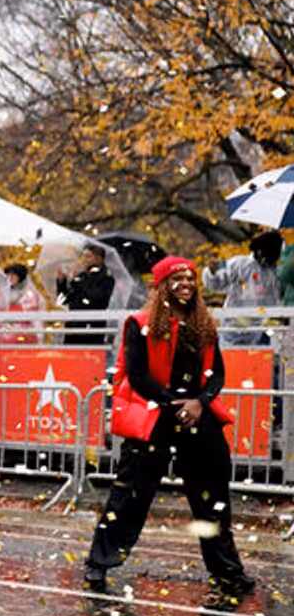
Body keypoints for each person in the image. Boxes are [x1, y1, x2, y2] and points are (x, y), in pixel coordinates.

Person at [82, 256, 253, 598]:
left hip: (197, 415)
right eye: (178, 279)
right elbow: (137, 373)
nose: (186, 285)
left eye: (191, 279)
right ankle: (98, 562)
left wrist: (199, 402)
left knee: (213, 499)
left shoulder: (204, 324)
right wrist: (171, 403)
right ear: (162, 286)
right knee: (129, 495)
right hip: (156, 415)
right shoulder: (139, 323)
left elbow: (216, 373)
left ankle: (227, 571)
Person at [201, 232, 284, 345]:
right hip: (235, 327)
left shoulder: (275, 271)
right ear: (258, 251)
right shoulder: (238, 264)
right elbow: (216, 284)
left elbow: (279, 296)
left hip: (265, 329)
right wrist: (212, 272)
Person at [56, 243, 115, 345]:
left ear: (99, 258)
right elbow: (67, 298)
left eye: (88, 256)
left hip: (91, 326)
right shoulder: (82, 275)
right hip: (74, 324)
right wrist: (62, 282)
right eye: (83, 256)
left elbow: (96, 299)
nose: (84, 260)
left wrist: (75, 282)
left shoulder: (106, 278)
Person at [0, 262, 44, 344]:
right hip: (4, 332)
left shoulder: (31, 294)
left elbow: (32, 313)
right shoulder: (2, 292)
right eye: (9, 275)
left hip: (25, 334)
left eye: (13, 275)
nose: (10, 278)